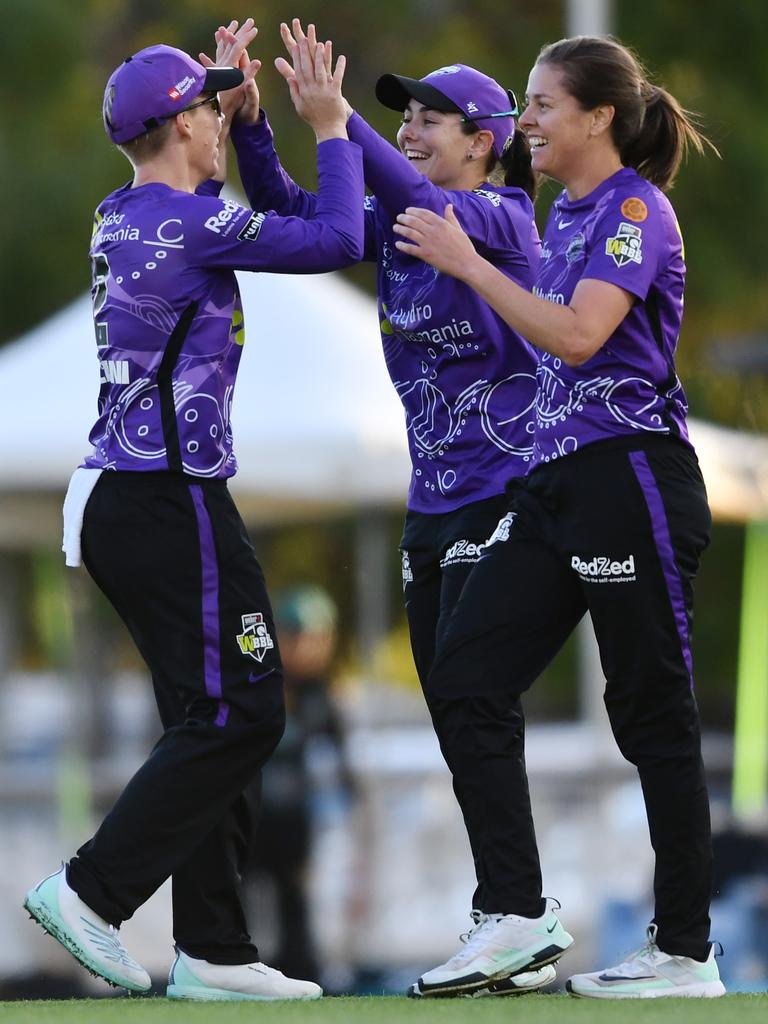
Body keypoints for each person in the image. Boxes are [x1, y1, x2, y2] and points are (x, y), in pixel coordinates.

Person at [24, 28, 364, 1002]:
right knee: (248, 706)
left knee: (207, 712)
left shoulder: (129, 214)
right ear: (180, 121)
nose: (221, 119)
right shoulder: (186, 224)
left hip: (127, 497)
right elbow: (336, 237)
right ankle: (92, 892)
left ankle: (214, 950)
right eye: (209, 108)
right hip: (168, 497)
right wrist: (330, 129)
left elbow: (230, 210)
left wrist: (248, 126)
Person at [222, 22, 561, 994]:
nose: (408, 129)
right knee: (461, 714)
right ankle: (515, 914)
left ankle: (519, 912)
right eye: (399, 116)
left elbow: (409, 193)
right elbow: (296, 211)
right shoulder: (406, 223)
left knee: (469, 691)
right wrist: (256, 126)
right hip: (432, 507)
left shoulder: (499, 220)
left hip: (506, 498)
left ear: (485, 140)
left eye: (428, 117)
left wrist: (339, 125)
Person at [393, 34, 725, 999]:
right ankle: (515, 917)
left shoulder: (634, 208)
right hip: (553, 488)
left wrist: (468, 265)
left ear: (598, 118)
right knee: (465, 673)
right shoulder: (564, 213)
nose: (524, 121)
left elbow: (580, 337)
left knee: (651, 712)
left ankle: (687, 953)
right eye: (525, 105)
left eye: (540, 105)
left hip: (631, 481)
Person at [246, 585, 349, 984]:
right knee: (238, 912)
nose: (317, 649)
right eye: (308, 638)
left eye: (325, 640)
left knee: (295, 911)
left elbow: (343, 769)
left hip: (293, 827)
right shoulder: (258, 683)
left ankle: (301, 978)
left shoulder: (320, 696)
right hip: (247, 820)